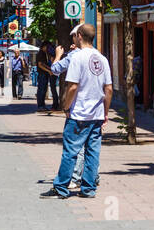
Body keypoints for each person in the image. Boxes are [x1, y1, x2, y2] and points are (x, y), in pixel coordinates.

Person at [41, 24, 112, 199]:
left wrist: (66, 107)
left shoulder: (77, 58)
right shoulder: (102, 59)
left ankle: (61, 188)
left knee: (71, 152)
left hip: (79, 113)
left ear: (79, 36)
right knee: (92, 152)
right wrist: (105, 112)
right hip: (96, 114)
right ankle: (88, 189)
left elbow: (73, 86)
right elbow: (109, 89)